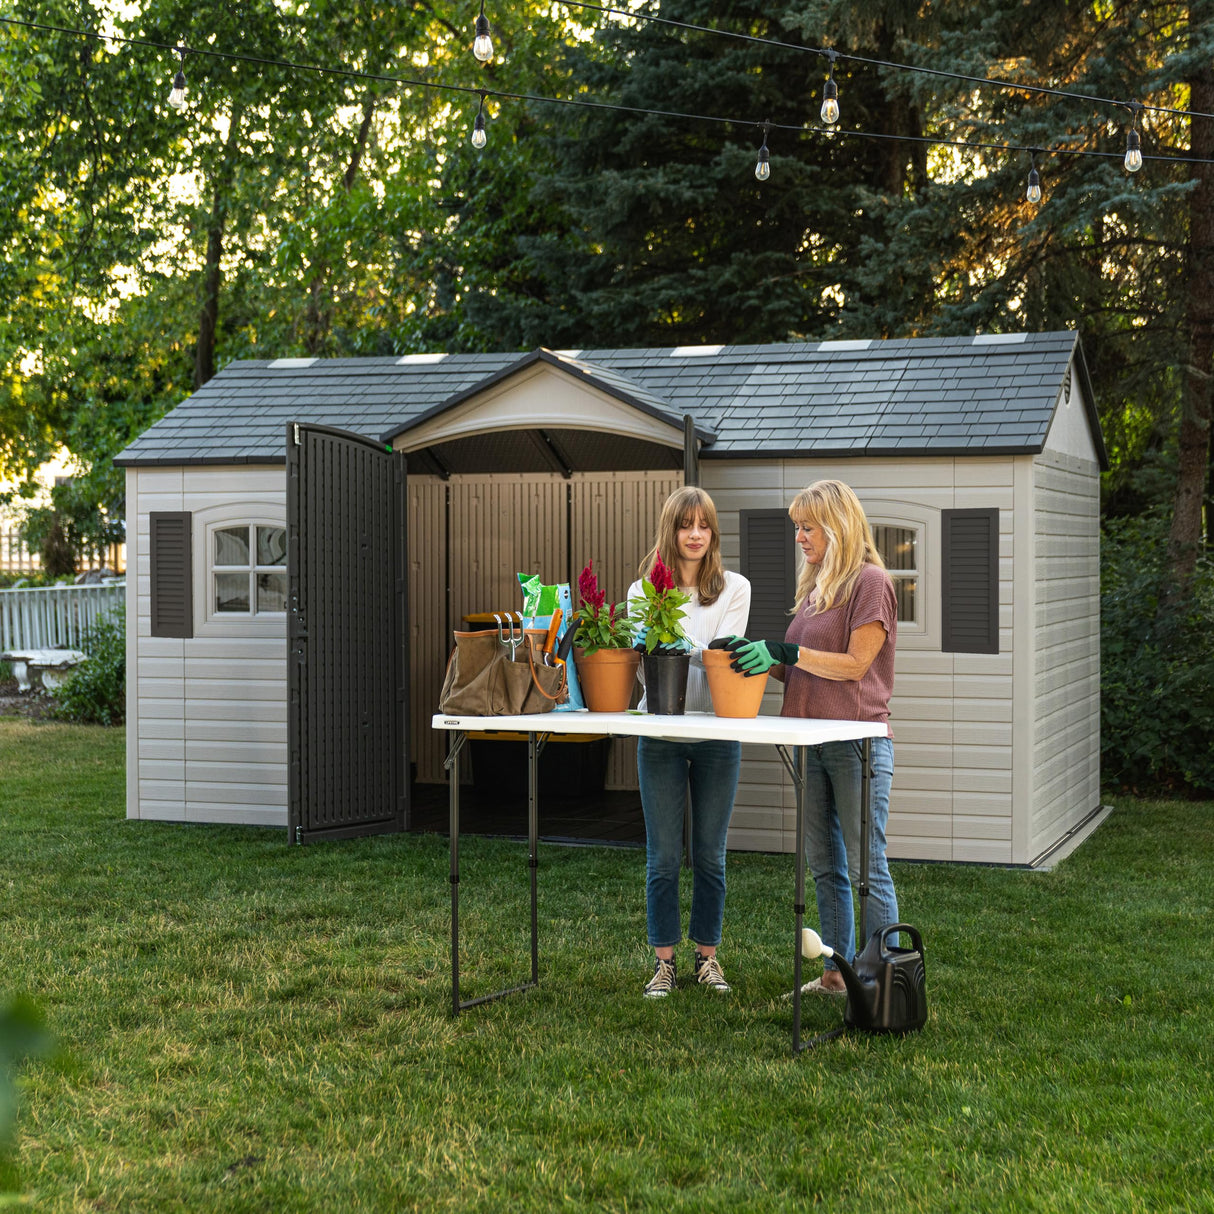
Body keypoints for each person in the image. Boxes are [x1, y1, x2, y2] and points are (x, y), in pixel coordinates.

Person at [726, 479, 898, 996]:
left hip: (856, 744)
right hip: (811, 741)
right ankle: (837, 975)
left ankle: (884, 983)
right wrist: (760, 655)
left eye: (808, 527)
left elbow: (855, 665)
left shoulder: (870, 582)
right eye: (797, 528)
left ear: (837, 526)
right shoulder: (817, 589)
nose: (799, 537)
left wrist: (788, 652)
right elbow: (800, 669)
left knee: (867, 867)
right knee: (825, 866)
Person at [627, 486, 751, 998]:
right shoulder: (642, 592)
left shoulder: (735, 588)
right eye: (685, 525)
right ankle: (663, 965)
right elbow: (647, 669)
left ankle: (707, 959)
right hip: (659, 734)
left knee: (710, 855)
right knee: (661, 857)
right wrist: (679, 651)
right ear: (671, 531)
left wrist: (678, 648)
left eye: (703, 525)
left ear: (713, 532)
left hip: (717, 734)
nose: (695, 534)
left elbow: (721, 656)